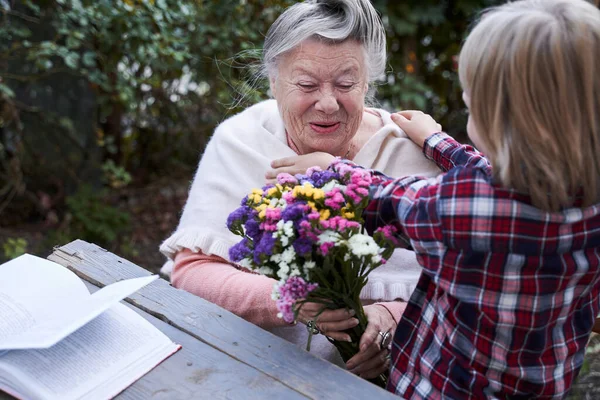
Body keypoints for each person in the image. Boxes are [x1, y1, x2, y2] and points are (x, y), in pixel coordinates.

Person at [159, 0, 440, 378]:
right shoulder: (242, 141)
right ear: (274, 82)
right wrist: (289, 300)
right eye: (306, 84)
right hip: (254, 372)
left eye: (346, 84)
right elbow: (191, 271)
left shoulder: (410, 152)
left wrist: (392, 320)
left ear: (367, 83)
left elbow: (469, 282)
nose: (327, 103)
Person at [337, 0, 600, 397]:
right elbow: (497, 173)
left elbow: (380, 200)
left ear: (503, 120)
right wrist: (437, 142)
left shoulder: (463, 208)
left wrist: (331, 169)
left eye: (471, 101)